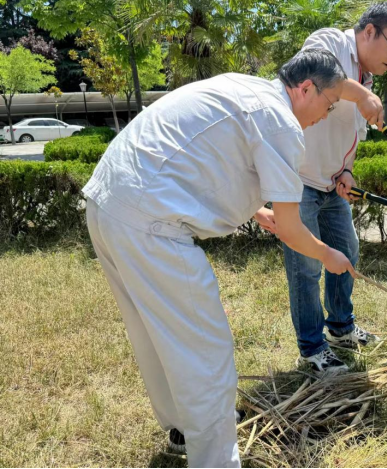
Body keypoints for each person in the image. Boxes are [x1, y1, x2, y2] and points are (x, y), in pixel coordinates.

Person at [82, 50, 352, 469]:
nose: (326, 116)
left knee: (154, 333)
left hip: (108, 203)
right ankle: (215, 459)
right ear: (305, 89)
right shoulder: (281, 121)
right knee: (207, 349)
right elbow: (292, 228)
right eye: (330, 104)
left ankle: (183, 427)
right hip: (151, 223)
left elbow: (206, 158)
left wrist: (256, 211)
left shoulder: (245, 88)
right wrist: (329, 254)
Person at [254, 2, 387, 375]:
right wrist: (362, 96)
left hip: (330, 183)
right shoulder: (330, 42)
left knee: (347, 251)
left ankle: (340, 328)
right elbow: (313, 74)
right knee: (307, 265)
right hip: (299, 180)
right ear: (369, 31)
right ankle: (312, 349)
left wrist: (347, 172)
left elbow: (352, 135)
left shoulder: (365, 80)